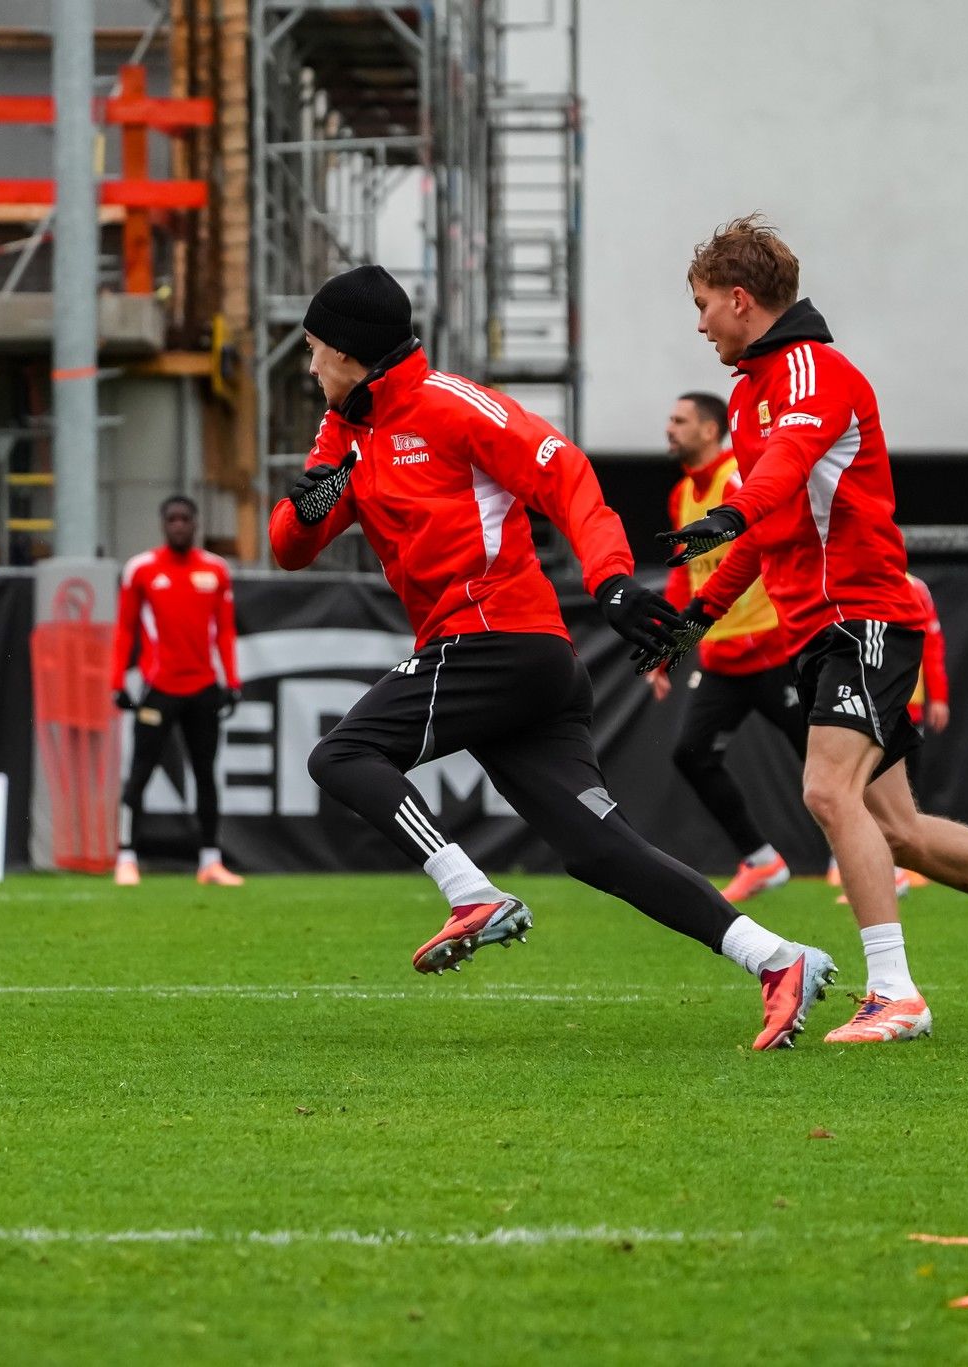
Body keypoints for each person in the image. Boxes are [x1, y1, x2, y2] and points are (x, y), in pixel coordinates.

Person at [270, 263, 838, 1050]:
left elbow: (567, 474)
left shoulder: (450, 404)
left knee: (344, 752)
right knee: (599, 849)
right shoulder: (346, 430)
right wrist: (309, 508)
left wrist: (608, 582)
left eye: (313, 349)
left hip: (496, 641)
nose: (308, 367)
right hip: (514, 665)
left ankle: (471, 893)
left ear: (349, 351)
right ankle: (779, 958)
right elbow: (291, 547)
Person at [658, 216, 968, 1044]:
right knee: (897, 828)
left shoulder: (812, 373)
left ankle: (895, 992)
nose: (698, 323)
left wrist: (729, 510)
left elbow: (780, 480)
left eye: (702, 304)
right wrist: (696, 616)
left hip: (864, 614)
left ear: (740, 299)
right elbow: (769, 526)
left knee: (828, 791)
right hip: (823, 626)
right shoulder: (758, 389)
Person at [644, 390, 805, 903]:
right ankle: (761, 860)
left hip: (776, 653)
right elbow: (685, 580)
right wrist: (668, 647)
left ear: (711, 430)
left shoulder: (740, 477)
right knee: (690, 756)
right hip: (722, 661)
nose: (668, 428)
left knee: (828, 767)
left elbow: (772, 544)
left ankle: (888, 858)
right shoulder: (682, 495)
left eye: (679, 420)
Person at [111, 494, 244, 887]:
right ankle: (126, 858)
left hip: (203, 688)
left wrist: (232, 681)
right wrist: (117, 681)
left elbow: (225, 630)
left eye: (186, 518)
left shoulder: (216, 570)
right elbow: (124, 630)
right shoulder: (141, 569)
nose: (179, 524)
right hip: (158, 689)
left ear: (196, 523)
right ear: (163, 524)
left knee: (205, 774)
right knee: (140, 773)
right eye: (172, 518)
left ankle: (210, 861)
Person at [828, 570, 947, 903]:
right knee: (857, 787)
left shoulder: (912, 587)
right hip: (867, 698)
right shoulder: (848, 581)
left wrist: (937, 695)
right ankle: (873, 868)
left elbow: (931, 642)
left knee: (882, 791)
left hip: (902, 700)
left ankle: (890, 870)